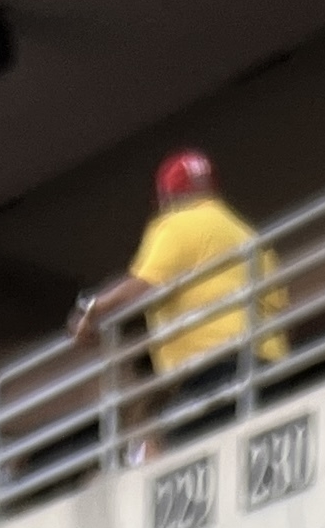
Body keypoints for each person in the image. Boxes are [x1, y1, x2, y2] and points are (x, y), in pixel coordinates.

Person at [70, 148, 285, 453]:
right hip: (269, 365)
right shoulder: (248, 235)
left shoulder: (178, 223)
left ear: (165, 197)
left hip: (216, 367)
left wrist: (91, 310)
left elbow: (142, 284)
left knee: (182, 455)